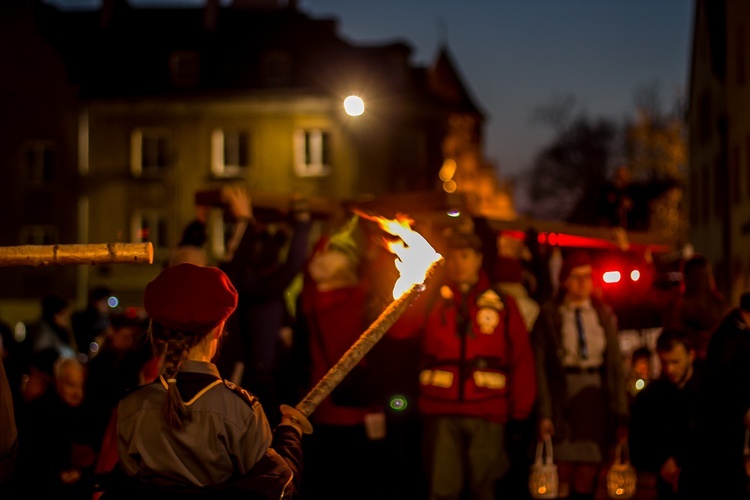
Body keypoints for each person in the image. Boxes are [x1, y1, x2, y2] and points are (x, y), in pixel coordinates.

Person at [100, 263, 310, 499]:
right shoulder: (241, 411)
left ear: (156, 333)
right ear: (219, 329)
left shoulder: (131, 406)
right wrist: (289, 437)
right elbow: (278, 489)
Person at [391, 228, 537, 500]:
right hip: (440, 410)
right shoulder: (431, 298)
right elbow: (400, 330)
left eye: (466, 255)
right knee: (442, 489)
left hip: (487, 411)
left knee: (485, 488)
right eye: (454, 257)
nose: (459, 263)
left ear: (479, 259)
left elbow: (521, 357)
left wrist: (521, 411)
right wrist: (406, 296)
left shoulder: (503, 304)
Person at [291, 215, 391, 500]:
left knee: (324, 481)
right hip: (357, 406)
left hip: (321, 404)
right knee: (357, 481)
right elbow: (379, 274)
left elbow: (311, 269)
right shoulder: (358, 297)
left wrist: (323, 234)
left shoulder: (310, 301)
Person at [531, 250, 628, 500]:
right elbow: (540, 365)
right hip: (564, 393)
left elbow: (615, 365)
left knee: (588, 471)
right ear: (564, 281)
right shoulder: (551, 314)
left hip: (594, 396)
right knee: (561, 469)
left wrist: (620, 410)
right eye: (576, 277)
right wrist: (545, 412)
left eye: (588, 276)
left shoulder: (602, 314)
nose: (583, 283)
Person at [629, 327, 703, 500]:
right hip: (668, 487)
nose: (669, 369)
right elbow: (638, 444)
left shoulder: (708, 393)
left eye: (676, 362)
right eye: (665, 362)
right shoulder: (650, 398)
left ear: (691, 356)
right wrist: (661, 461)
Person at [689, 291, 750, 499]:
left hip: (730, 417)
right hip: (724, 419)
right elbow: (728, 382)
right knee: (730, 471)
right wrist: (742, 409)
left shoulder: (736, 332)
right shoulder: (730, 338)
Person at [12, 356, 97, 499]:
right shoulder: (38, 412)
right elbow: (31, 460)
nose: (77, 392)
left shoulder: (88, 413)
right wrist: (57, 474)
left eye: (80, 385)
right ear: (58, 382)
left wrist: (81, 471)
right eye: (71, 384)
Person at [662, 254, 729, 361]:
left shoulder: (719, 306)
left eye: (701, 276)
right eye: (697, 276)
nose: (699, 281)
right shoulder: (678, 306)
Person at [72, 286, 114, 360]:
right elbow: (86, 346)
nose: (107, 305)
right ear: (95, 302)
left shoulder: (109, 319)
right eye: (104, 301)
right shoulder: (83, 319)